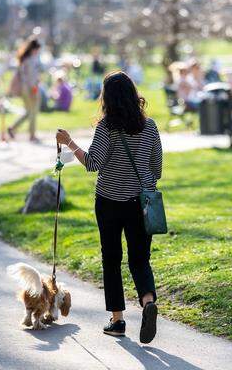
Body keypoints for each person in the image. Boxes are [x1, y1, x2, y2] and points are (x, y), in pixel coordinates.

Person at [55, 71, 161, 343]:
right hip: (140, 203)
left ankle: (117, 321)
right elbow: (156, 168)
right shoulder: (150, 127)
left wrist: (69, 142)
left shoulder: (106, 128)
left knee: (111, 260)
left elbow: (93, 163)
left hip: (109, 203)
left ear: (108, 98)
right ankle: (148, 301)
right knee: (140, 259)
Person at [8, 36, 42, 142]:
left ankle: (13, 128)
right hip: (30, 88)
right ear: (33, 49)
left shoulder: (24, 59)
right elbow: (31, 78)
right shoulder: (30, 60)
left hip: (25, 88)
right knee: (33, 112)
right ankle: (32, 135)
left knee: (28, 112)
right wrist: (34, 90)